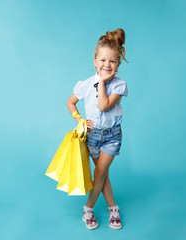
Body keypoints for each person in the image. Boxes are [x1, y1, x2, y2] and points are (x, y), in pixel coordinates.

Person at [66, 28, 128, 230]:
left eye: (112, 61)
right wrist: (79, 120)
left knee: (100, 173)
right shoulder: (85, 84)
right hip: (92, 136)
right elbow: (71, 103)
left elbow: (103, 105)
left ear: (118, 64)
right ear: (95, 61)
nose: (106, 65)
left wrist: (101, 82)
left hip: (111, 136)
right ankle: (113, 208)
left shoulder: (119, 85)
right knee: (103, 175)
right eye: (102, 60)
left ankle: (88, 209)